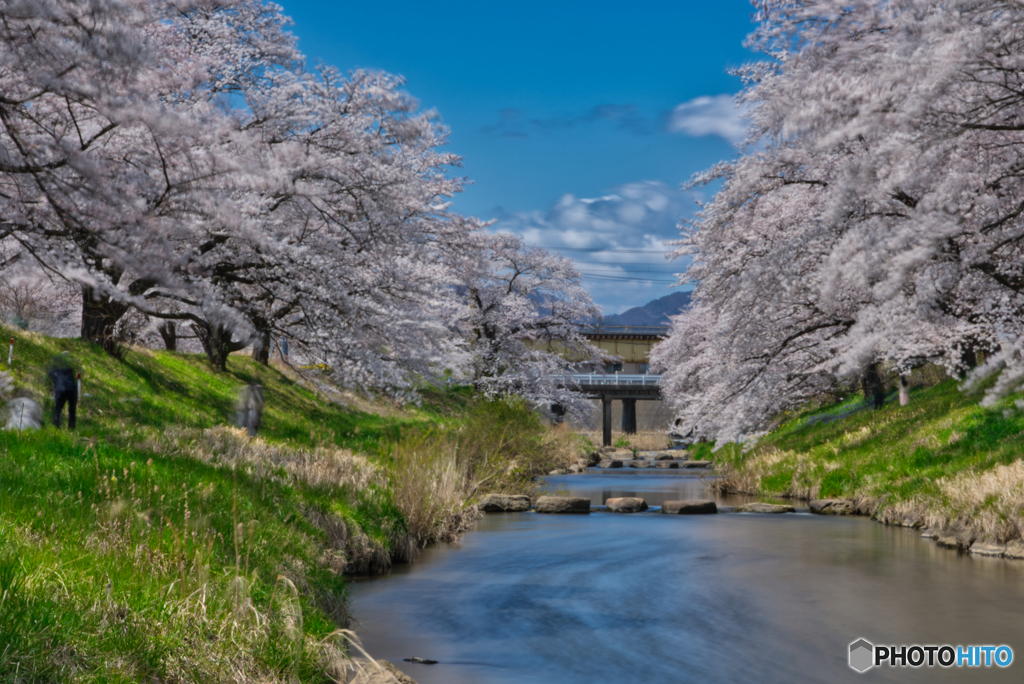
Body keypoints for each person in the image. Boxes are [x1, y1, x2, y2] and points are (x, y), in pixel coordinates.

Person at [47, 359, 78, 429]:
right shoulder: (69, 371)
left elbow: (55, 381)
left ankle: (56, 425)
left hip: (61, 389)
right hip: (72, 389)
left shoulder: (55, 373)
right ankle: (72, 426)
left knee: (58, 410)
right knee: (72, 410)